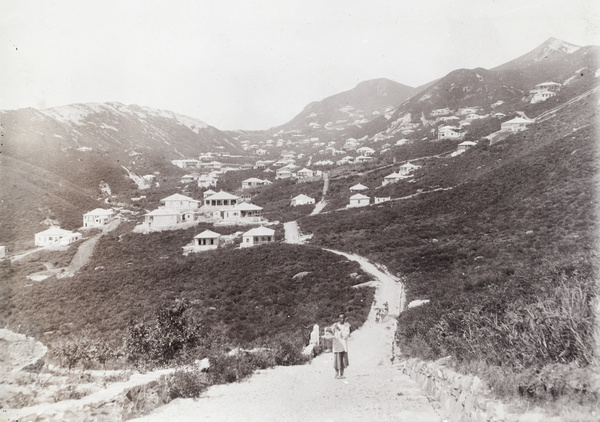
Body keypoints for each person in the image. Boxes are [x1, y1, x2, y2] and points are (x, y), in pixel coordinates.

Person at [330, 313, 350, 379]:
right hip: (337, 344)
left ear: (345, 318)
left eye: (343, 318)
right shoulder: (335, 325)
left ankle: (341, 374)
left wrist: (339, 329)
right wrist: (332, 329)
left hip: (343, 345)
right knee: (336, 359)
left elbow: (346, 335)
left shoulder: (346, 326)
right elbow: (331, 331)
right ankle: (336, 373)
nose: (342, 319)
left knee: (343, 359)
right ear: (338, 319)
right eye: (340, 318)